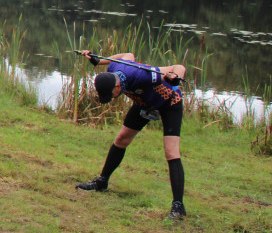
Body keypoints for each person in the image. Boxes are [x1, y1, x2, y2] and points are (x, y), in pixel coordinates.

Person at [75, 50, 189, 220]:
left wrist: (174, 76)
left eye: (110, 95)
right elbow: (128, 56)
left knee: (171, 151)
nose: (111, 98)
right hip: (144, 104)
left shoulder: (144, 75)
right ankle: (102, 181)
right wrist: (99, 62)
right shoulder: (114, 69)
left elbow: (178, 67)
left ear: (118, 86)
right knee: (121, 139)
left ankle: (178, 206)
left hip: (169, 102)